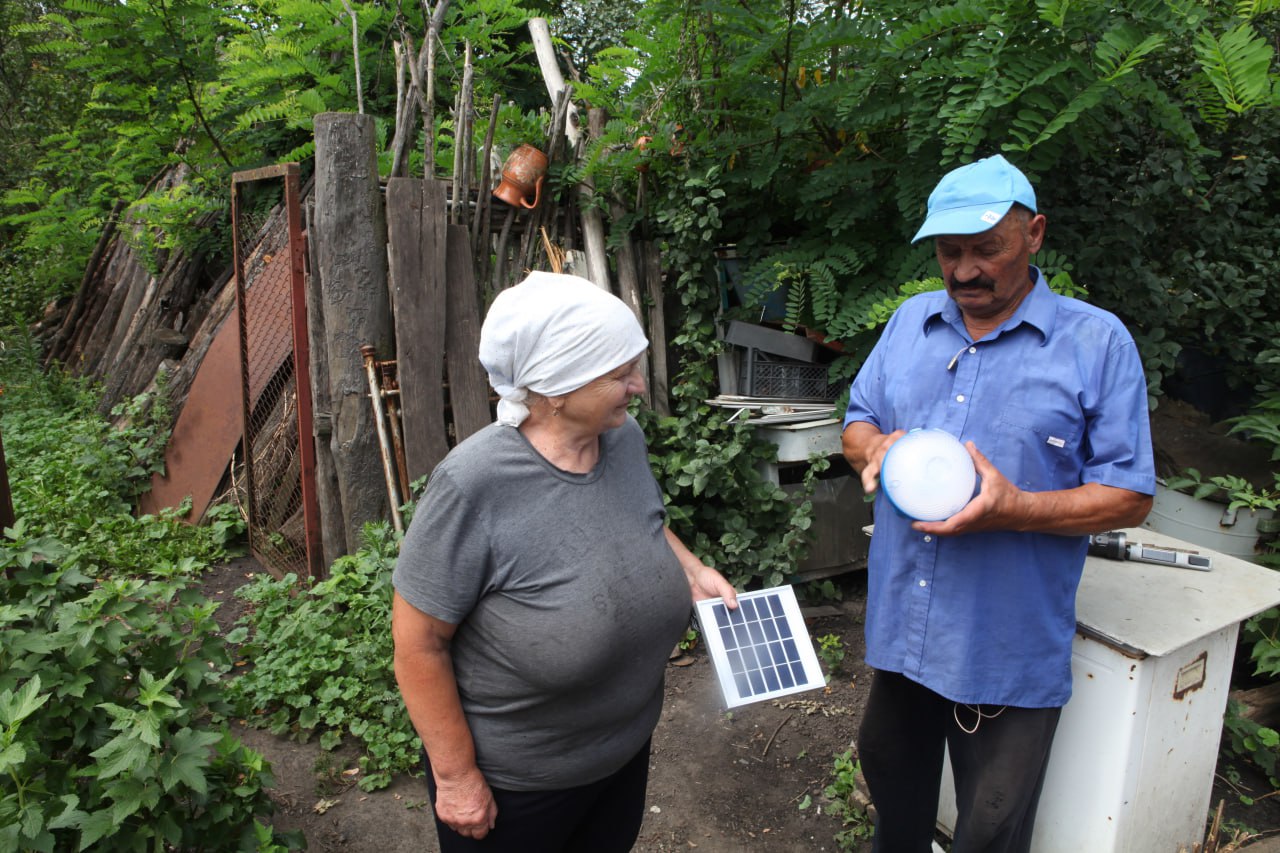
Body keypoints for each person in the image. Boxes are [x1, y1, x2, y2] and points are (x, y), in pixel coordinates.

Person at [840, 154, 1156, 853]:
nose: (963, 271)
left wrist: (1016, 507)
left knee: (990, 835)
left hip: (1004, 652)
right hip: (903, 636)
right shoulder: (909, 323)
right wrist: (876, 449)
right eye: (949, 252)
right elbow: (857, 416)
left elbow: (1130, 495)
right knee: (895, 818)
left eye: (987, 248)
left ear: (1035, 234)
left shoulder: (1096, 343)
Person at [392, 271, 738, 853]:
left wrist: (690, 570)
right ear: (556, 388)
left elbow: (643, 520)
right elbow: (417, 643)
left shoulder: (621, 440)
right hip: (520, 786)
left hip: (622, 752)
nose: (637, 387)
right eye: (619, 373)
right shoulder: (473, 484)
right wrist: (455, 779)